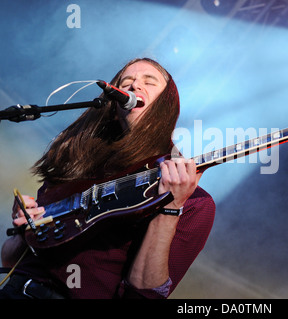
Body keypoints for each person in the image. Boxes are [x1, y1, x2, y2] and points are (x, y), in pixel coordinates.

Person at [0, 57, 216, 299]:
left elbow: (145, 294)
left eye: (149, 81)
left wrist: (170, 208)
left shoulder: (196, 202)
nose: (134, 86)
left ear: (167, 104)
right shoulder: (77, 160)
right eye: (127, 82)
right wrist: (24, 229)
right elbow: (9, 260)